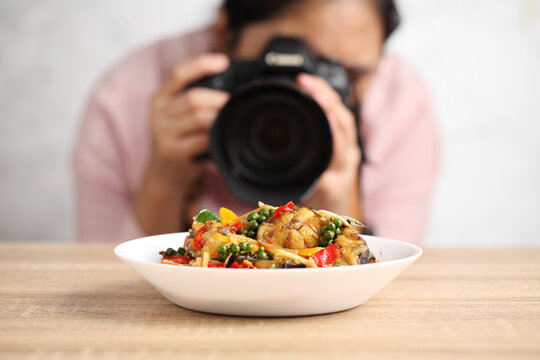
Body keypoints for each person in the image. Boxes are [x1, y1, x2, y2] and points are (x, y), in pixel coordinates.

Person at [73, 0, 439, 244]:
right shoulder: (130, 96)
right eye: (290, 64)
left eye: (345, 75)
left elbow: (388, 295)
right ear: (224, 33)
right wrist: (164, 180)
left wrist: (339, 203)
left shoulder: (400, 106)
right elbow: (109, 285)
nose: (311, 93)